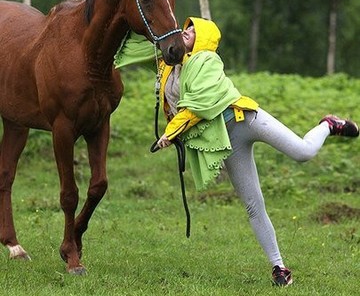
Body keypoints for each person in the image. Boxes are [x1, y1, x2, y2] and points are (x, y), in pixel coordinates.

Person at [114, 17, 359, 287]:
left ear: (205, 38)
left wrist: (170, 134)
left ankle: (328, 125)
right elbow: (143, 44)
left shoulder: (207, 61)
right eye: (186, 27)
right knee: (253, 205)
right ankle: (279, 267)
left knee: (303, 152)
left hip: (247, 119)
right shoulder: (168, 64)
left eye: (195, 29)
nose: (188, 31)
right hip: (226, 139)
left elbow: (199, 105)